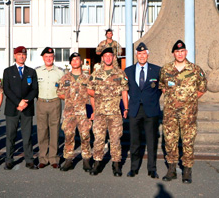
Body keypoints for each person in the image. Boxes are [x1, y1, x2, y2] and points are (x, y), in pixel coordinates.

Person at [159, 40, 207, 184]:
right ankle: (172, 169)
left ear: (186, 52)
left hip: (188, 113)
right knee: (170, 140)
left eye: (182, 51)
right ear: (173, 53)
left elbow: (202, 88)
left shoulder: (195, 70)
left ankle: (187, 170)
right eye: (177, 52)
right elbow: (162, 86)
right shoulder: (166, 69)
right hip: (170, 113)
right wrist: (173, 100)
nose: (180, 54)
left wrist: (189, 100)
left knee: (187, 140)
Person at [87, 48, 129, 176]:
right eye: (106, 56)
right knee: (99, 138)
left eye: (110, 56)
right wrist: (96, 106)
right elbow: (90, 91)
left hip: (115, 113)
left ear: (113, 58)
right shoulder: (96, 74)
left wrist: (126, 109)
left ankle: (116, 164)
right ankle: (97, 163)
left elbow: (124, 91)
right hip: (100, 113)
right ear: (102, 58)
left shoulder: (120, 73)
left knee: (115, 139)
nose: (108, 58)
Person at [124, 43, 162, 179]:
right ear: (136, 55)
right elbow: (125, 89)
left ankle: (152, 169)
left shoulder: (157, 70)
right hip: (135, 110)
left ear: (148, 55)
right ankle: (134, 168)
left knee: (151, 141)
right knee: (134, 141)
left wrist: (151, 100)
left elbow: (160, 89)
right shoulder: (128, 71)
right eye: (139, 54)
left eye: (144, 53)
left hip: (150, 110)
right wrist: (127, 107)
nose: (141, 56)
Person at [2, 46, 39, 170]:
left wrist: (25, 102)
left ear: (26, 56)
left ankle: (29, 160)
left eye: (24, 55)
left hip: (27, 108)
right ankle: (9, 159)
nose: (21, 56)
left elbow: (35, 89)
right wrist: (19, 102)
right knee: (10, 136)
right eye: (19, 54)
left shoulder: (31, 72)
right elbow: (7, 89)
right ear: (14, 56)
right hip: (13, 108)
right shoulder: (8, 71)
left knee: (27, 136)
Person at [57, 52, 93, 172]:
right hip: (69, 112)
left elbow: (92, 94)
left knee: (85, 135)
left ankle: (86, 160)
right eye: (73, 60)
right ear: (70, 63)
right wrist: (70, 98)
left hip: (83, 112)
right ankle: (68, 160)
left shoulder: (87, 78)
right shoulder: (65, 78)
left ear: (81, 62)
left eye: (77, 59)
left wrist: (93, 110)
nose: (75, 62)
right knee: (68, 135)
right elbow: (59, 93)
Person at [35, 47, 64, 169]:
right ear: (43, 58)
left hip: (55, 102)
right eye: (46, 56)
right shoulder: (37, 71)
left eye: (51, 57)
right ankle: (43, 157)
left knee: (54, 130)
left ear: (53, 58)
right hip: (41, 102)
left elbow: (63, 88)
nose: (48, 59)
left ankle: (53, 158)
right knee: (42, 130)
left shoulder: (60, 72)